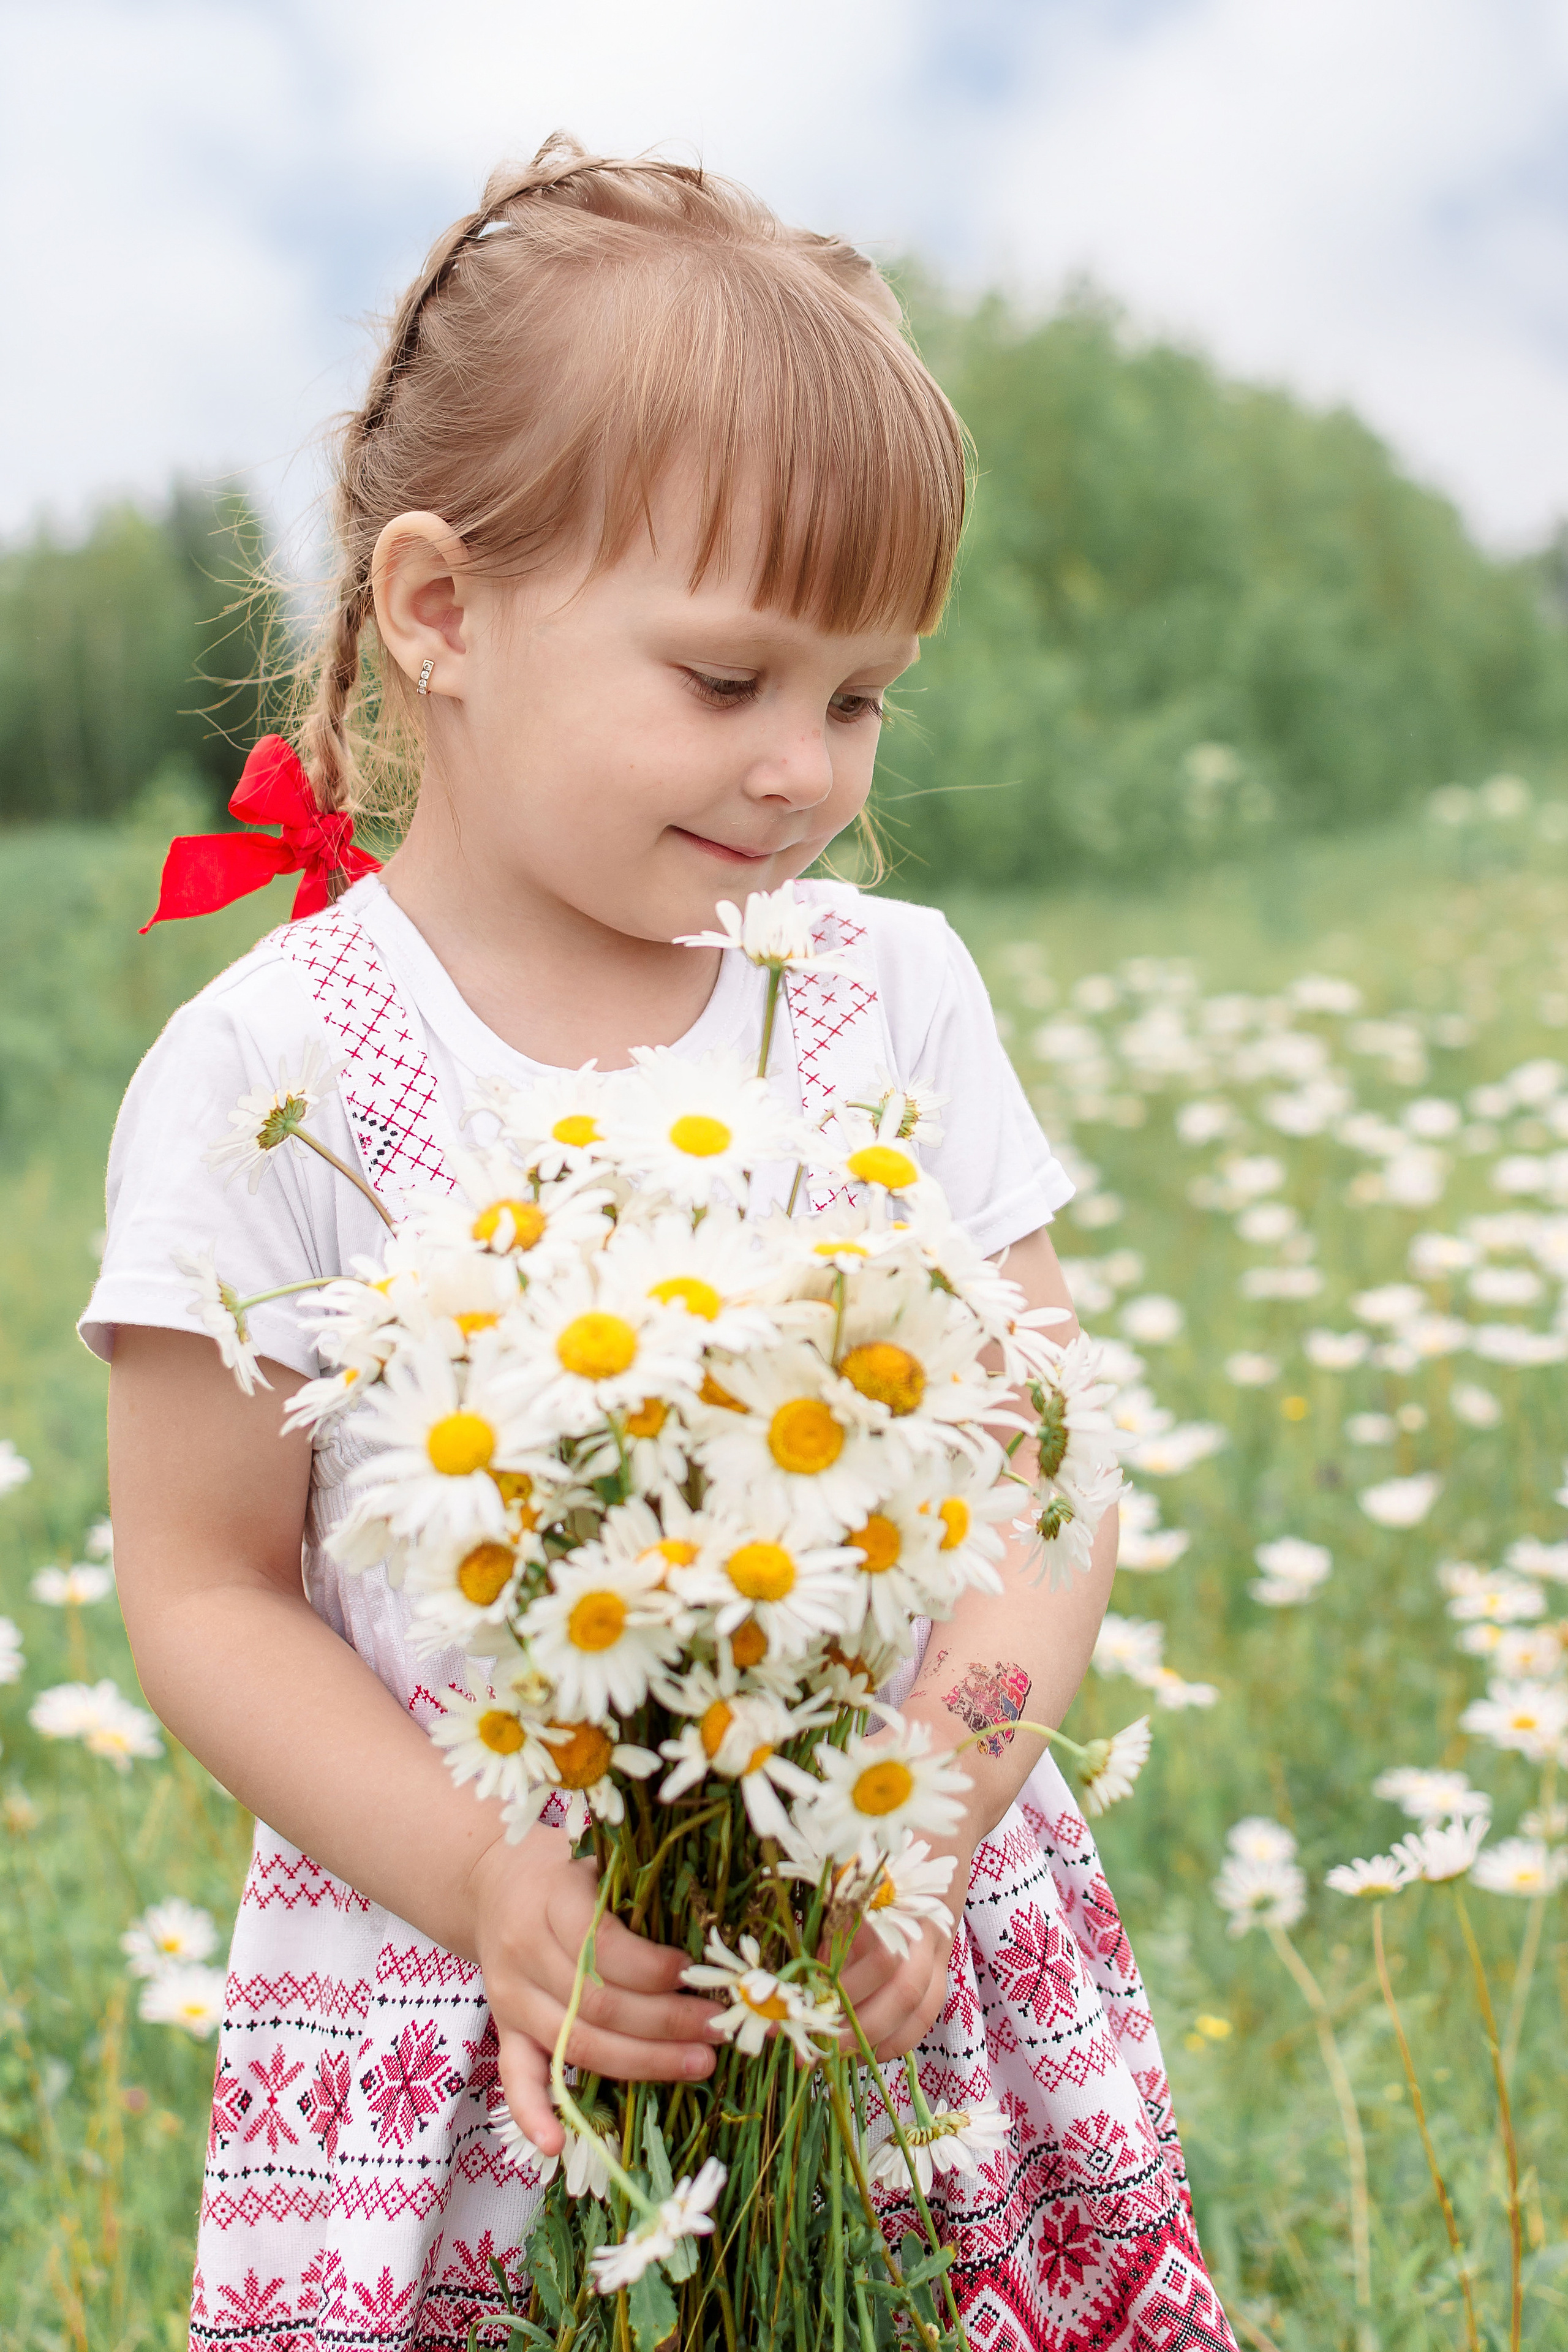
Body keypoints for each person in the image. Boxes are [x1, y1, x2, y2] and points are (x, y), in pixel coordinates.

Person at [86, 137, 1234, 2352]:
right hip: (480, 1994)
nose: (806, 768)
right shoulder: (273, 1073)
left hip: (900, 1956)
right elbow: (204, 1581)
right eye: (729, 682)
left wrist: (933, 1809)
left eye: (861, 694)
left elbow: (1042, 1459)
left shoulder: (884, 997)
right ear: (439, 610)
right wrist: (485, 1877)